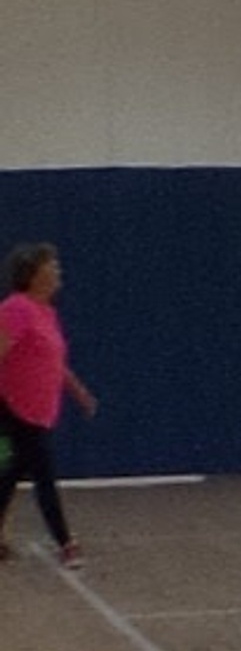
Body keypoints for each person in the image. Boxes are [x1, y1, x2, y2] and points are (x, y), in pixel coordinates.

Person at [0, 242, 99, 567]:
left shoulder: (47, 312)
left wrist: (77, 391)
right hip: (11, 405)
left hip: (40, 407)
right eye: (51, 266)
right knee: (42, 471)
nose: (58, 271)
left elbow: (54, 361)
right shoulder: (16, 308)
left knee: (13, 471)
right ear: (33, 273)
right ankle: (66, 542)